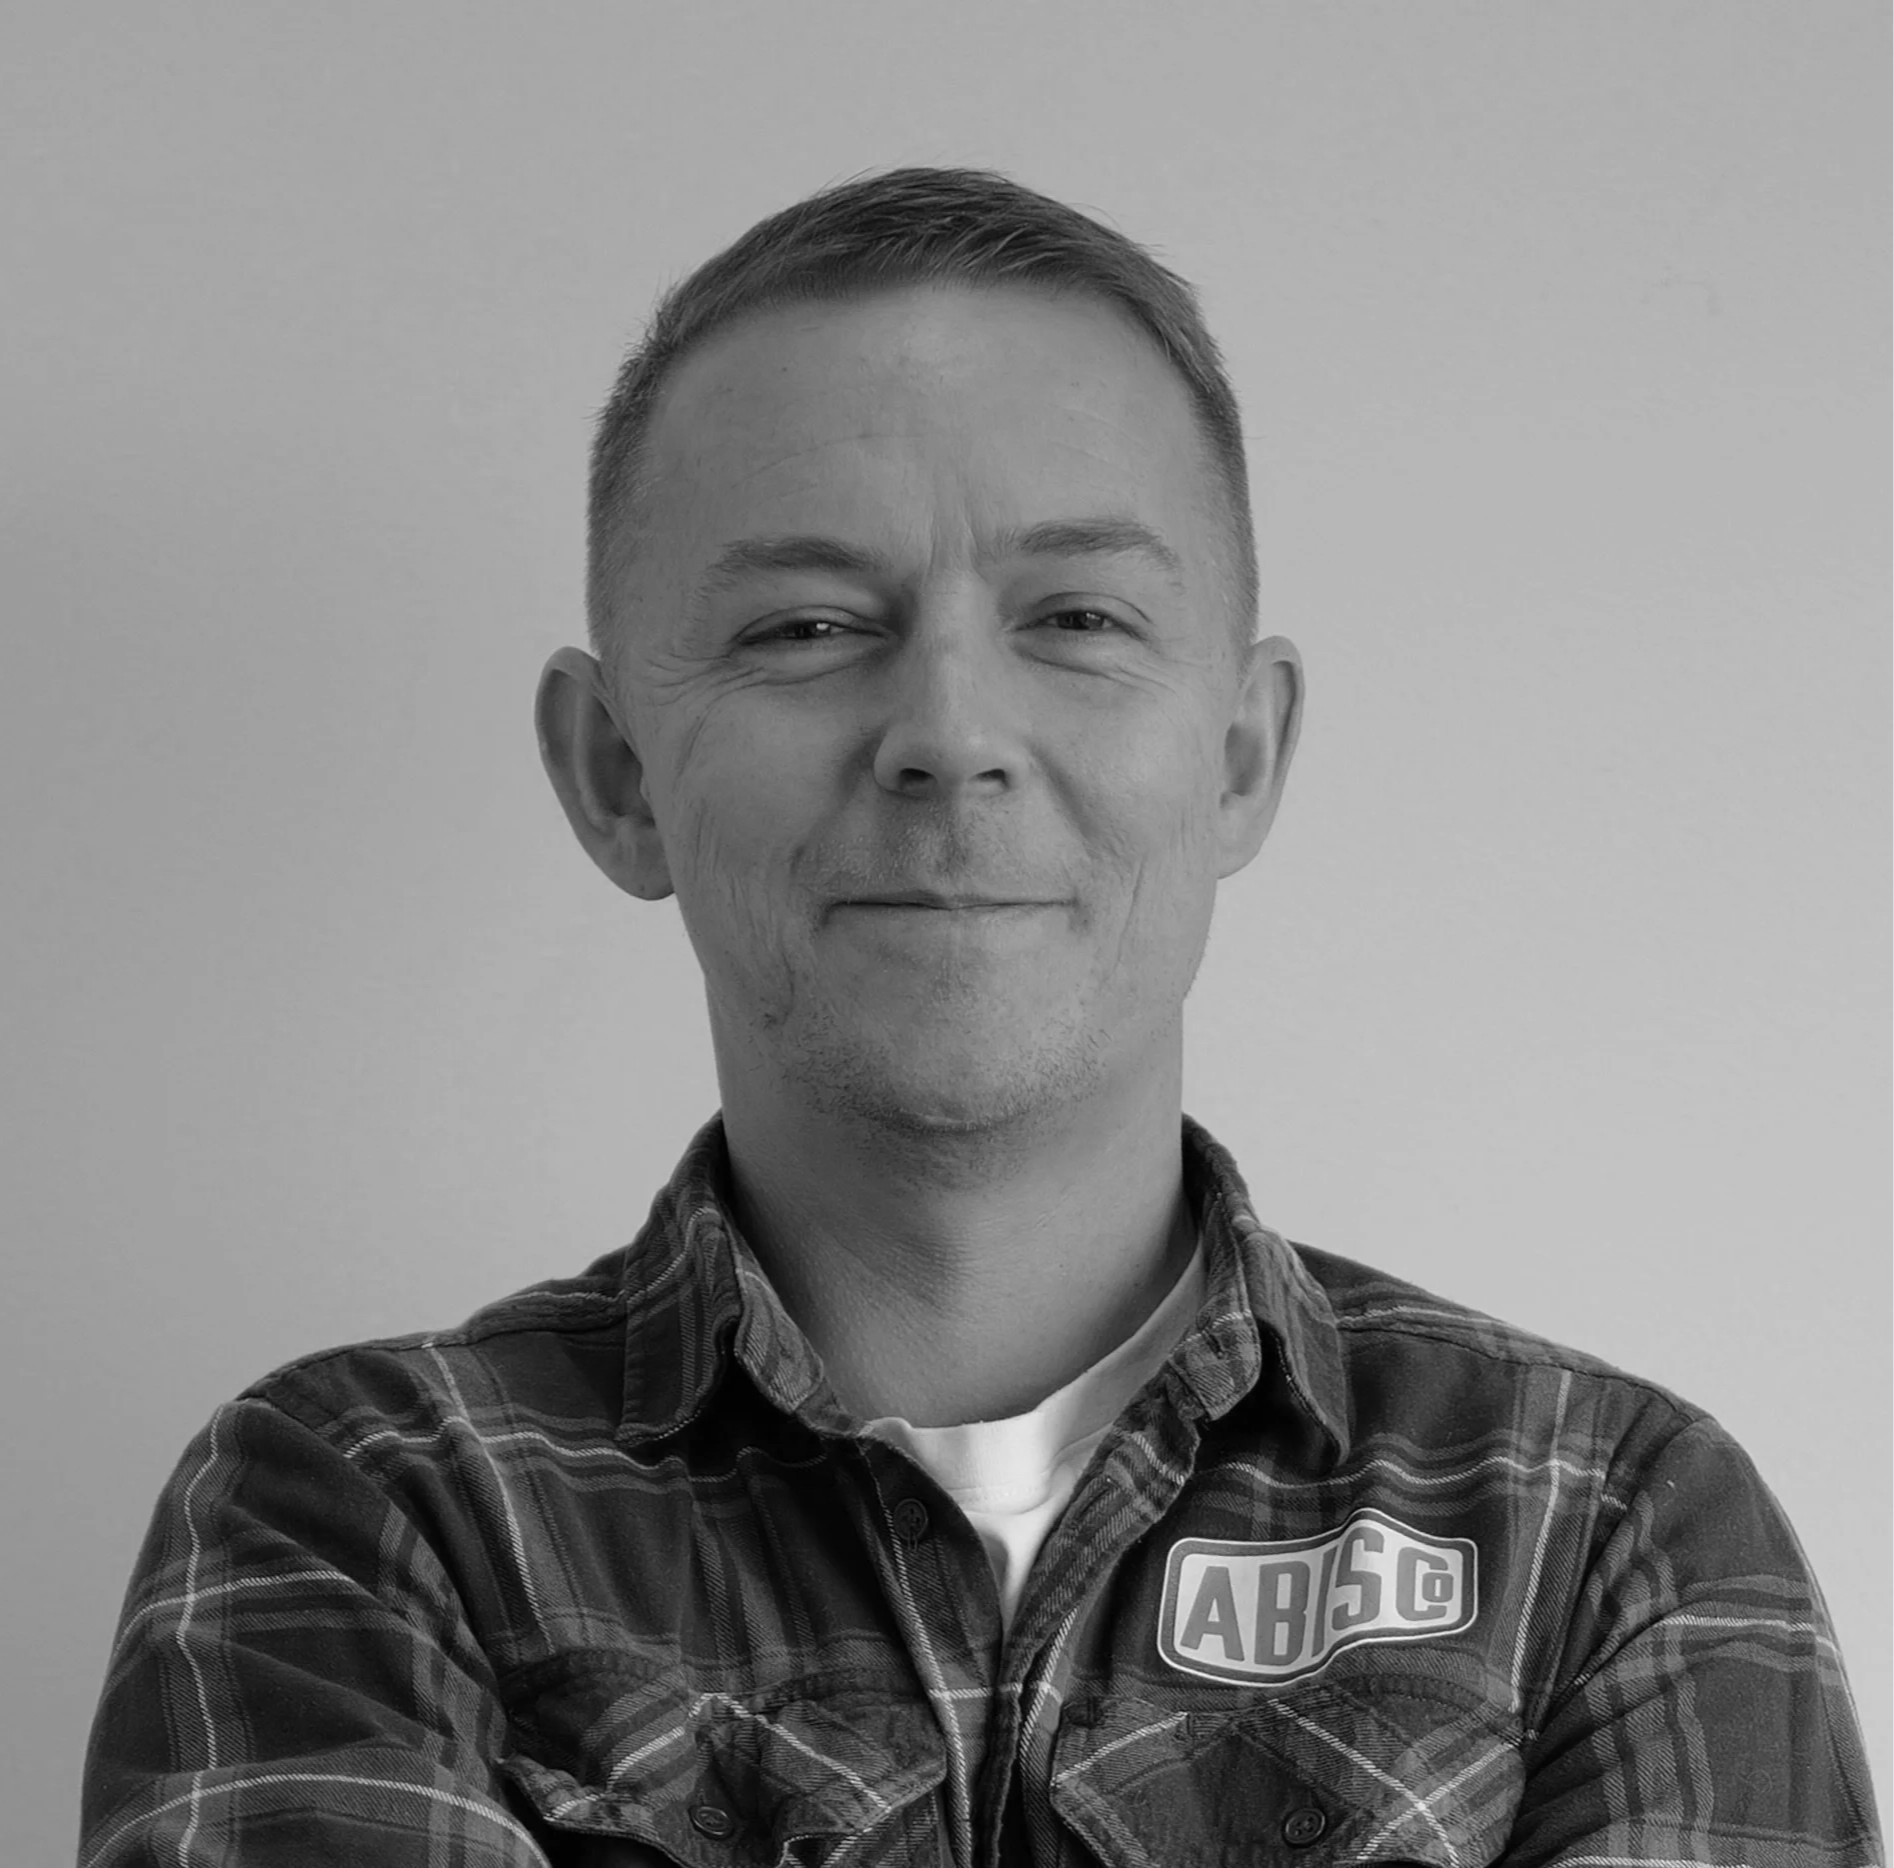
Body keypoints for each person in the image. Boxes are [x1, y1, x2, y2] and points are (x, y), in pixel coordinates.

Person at [80, 166, 1880, 1868]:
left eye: (1078, 615)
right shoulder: (367, 1511)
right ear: (615, 772)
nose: (949, 729)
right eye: (801, 627)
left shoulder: (1606, 1525)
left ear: (1240, 757)